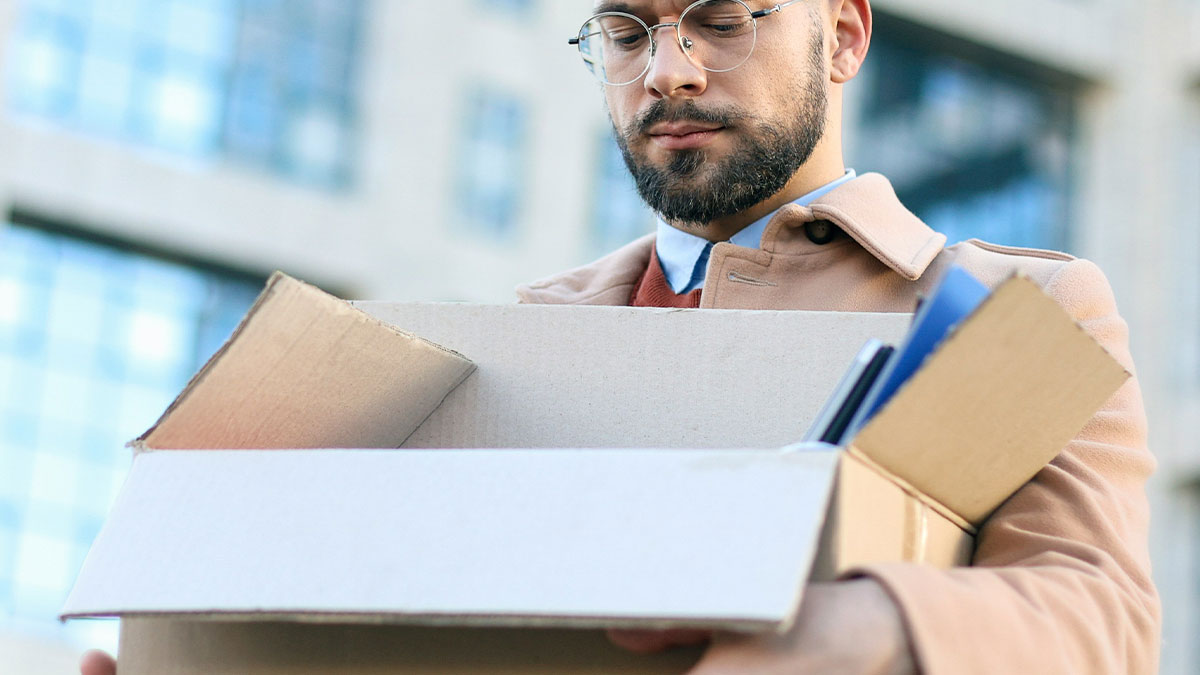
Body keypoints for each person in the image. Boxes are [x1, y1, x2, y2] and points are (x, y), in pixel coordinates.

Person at [82, 1, 1159, 673]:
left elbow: (1100, 619)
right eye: (626, 29)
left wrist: (864, 629)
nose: (668, 71)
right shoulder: (518, 347)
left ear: (841, 35)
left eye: (724, 17)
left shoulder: (1009, 310)